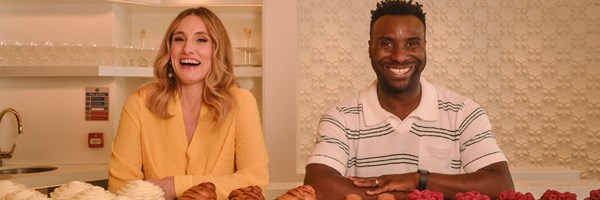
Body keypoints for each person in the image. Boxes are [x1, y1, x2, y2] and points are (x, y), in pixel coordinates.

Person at [303, 0, 514, 199]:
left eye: (412, 44)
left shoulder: (463, 112)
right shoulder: (340, 117)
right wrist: (408, 195)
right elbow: (318, 185)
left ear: (424, 46)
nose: (399, 56)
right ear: (370, 48)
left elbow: (500, 184)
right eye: (386, 43)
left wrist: (417, 180)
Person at [107, 7, 269, 200]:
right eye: (179, 39)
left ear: (217, 50)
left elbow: (255, 182)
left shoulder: (241, 102)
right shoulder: (139, 102)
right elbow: (119, 187)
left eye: (201, 39)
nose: (187, 49)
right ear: (169, 49)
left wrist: (175, 185)